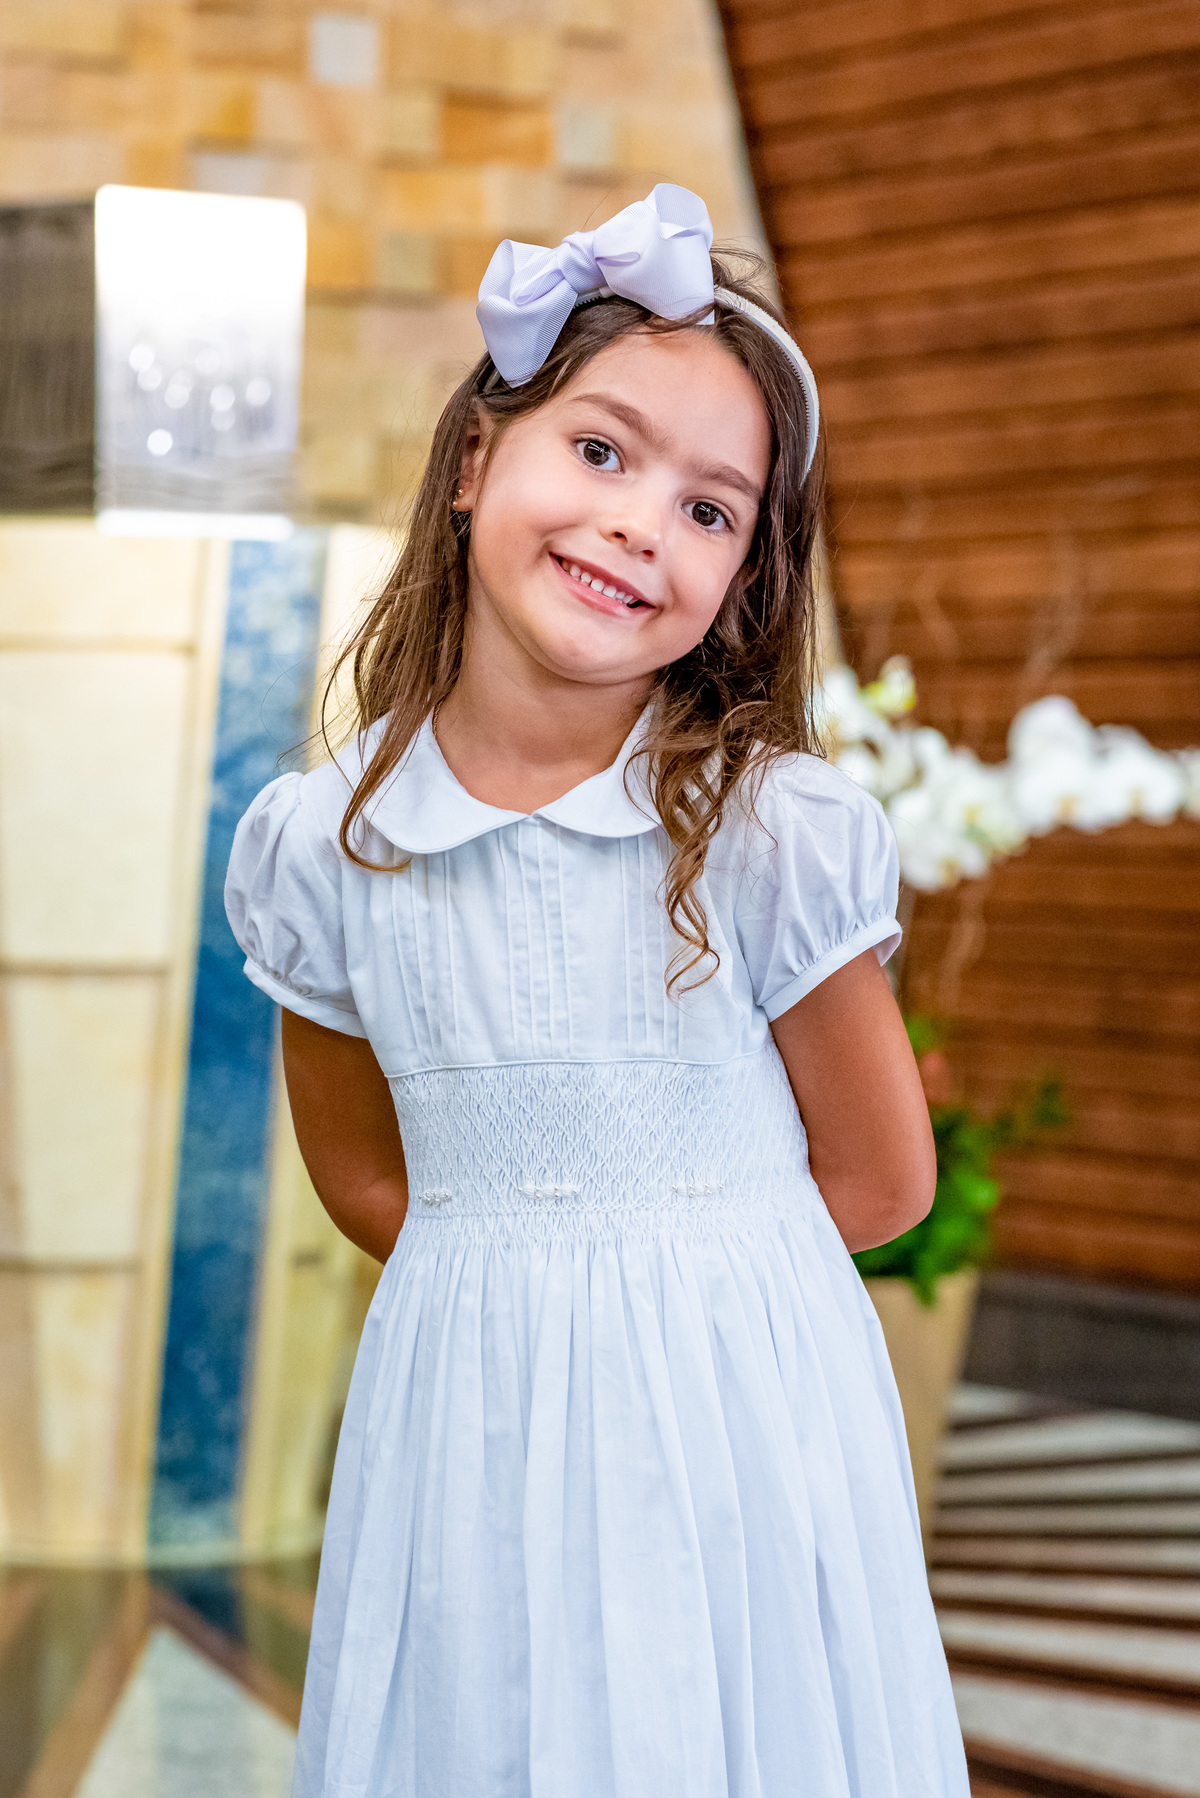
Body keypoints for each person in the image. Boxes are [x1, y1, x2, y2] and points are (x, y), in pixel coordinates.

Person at [226, 185, 969, 1798]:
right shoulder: (327, 845)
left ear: (747, 576)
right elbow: (364, 1175)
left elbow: (883, 1174)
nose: (641, 524)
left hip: (736, 1424)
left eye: (711, 509)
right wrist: (527, 1293)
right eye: (602, 451)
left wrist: (669, 1293)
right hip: (471, 1426)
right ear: (475, 458)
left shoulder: (764, 832)